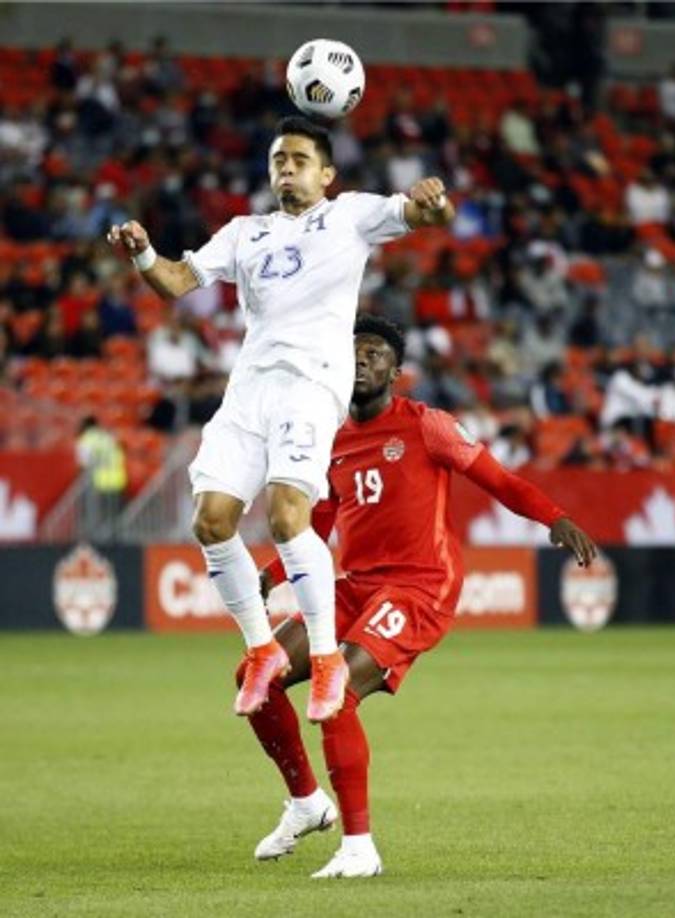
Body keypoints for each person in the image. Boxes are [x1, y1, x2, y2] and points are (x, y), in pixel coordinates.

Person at [107, 116, 455, 723]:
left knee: (288, 514)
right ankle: (263, 648)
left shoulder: (350, 215)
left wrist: (435, 201)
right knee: (211, 521)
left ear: (326, 173)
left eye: (298, 159)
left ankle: (324, 661)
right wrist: (142, 253)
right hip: (250, 392)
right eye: (278, 160)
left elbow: (426, 217)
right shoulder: (244, 233)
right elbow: (175, 283)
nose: (286, 169)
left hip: (310, 386)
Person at [240, 315, 596, 879]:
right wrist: (275, 571)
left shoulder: (427, 426)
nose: (362, 361)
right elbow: (322, 520)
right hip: (354, 586)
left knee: (336, 693)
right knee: (255, 678)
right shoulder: (330, 436)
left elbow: (499, 479)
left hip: (417, 586)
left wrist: (554, 518)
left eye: (375, 353)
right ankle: (307, 803)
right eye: (354, 352)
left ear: (395, 370)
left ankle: (360, 848)